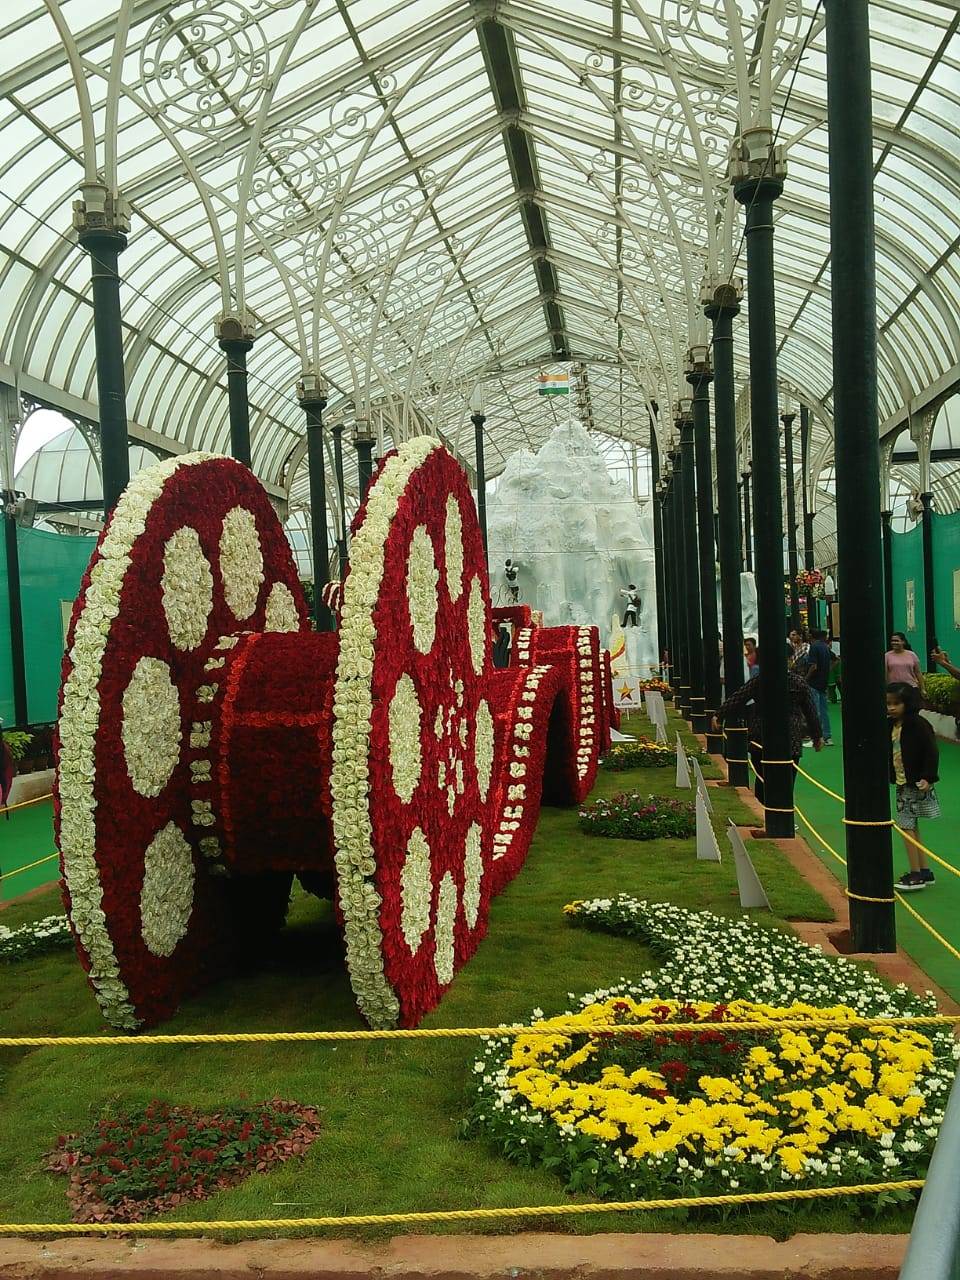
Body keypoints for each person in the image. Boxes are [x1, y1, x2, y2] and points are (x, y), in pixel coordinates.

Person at [713, 647, 823, 836]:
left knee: (763, 780)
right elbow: (810, 711)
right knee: (786, 783)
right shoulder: (798, 682)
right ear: (788, 661)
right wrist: (817, 735)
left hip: (762, 737)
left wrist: (719, 714)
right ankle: (782, 822)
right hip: (791, 740)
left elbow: (739, 697)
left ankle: (766, 821)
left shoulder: (760, 680)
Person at [887, 682, 940, 891]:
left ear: (907, 704)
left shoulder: (918, 724)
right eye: (888, 703)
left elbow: (931, 751)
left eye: (896, 703)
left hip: (914, 782)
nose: (891, 708)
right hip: (901, 781)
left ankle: (916, 874)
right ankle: (924, 870)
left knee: (906, 825)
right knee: (912, 825)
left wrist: (928, 777)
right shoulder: (890, 725)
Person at [805, 629, 835, 745]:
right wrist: (827, 670)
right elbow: (836, 659)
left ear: (811, 636)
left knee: (814, 711)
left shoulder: (814, 647)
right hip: (823, 682)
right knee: (823, 711)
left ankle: (816, 738)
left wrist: (805, 678)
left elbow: (813, 666)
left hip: (814, 683)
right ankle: (827, 737)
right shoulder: (825, 647)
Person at [885, 632, 926, 696]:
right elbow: (885, 673)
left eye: (896, 641)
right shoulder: (887, 656)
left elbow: (918, 672)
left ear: (903, 642)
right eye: (892, 641)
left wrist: (923, 689)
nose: (894, 643)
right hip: (894, 689)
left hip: (911, 687)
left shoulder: (912, 655)